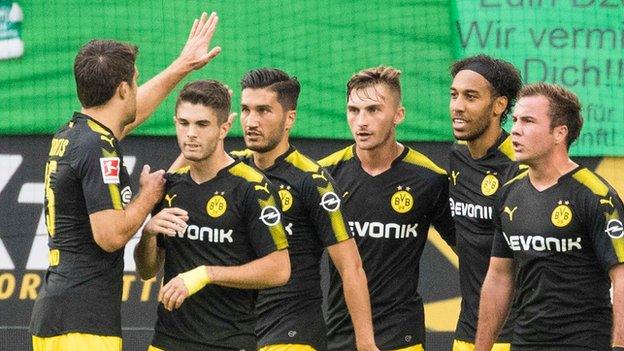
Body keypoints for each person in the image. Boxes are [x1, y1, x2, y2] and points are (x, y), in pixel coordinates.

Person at [30, 12, 222, 351]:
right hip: (83, 325)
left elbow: (132, 113)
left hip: (58, 314)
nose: (137, 88)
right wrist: (148, 196)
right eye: (135, 80)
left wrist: (182, 66)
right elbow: (111, 235)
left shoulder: (75, 133)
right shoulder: (96, 147)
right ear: (122, 89)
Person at [134, 80, 290, 351]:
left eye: (202, 125)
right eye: (183, 123)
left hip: (228, 342)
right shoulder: (170, 185)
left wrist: (206, 274)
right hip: (166, 341)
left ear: (224, 128)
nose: (190, 134)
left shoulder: (253, 187)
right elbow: (147, 271)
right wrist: (148, 233)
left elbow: (279, 269)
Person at [475, 82, 624, 351]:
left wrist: (619, 346)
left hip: (584, 342)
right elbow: (499, 277)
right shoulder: (509, 194)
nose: (515, 130)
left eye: (528, 121)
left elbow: (622, 277)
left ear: (559, 133)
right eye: (515, 120)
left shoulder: (596, 196)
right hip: (524, 342)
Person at [236, 68, 377, 351]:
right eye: (245, 110)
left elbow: (351, 267)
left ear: (290, 119)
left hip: (293, 330)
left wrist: (366, 343)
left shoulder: (313, 180)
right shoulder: (230, 169)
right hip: (237, 327)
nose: (251, 121)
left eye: (264, 111)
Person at [319, 66, 456, 351]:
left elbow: (470, 252)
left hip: (401, 335)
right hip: (340, 333)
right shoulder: (325, 176)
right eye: (353, 110)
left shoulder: (429, 179)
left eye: (373, 110)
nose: (361, 122)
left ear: (398, 115)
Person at [448, 55, 523, 351]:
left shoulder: (519, 166)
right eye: (454, 95)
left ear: (499, 105)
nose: (458, 106)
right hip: (468, 333)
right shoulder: (457, 157)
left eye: (471, 96)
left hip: (516, 336)